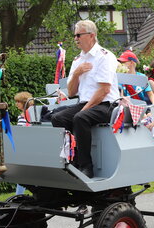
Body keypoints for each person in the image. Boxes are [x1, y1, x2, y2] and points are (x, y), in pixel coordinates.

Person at [51, 20, 119, 178]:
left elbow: (104, 90)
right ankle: (71, 162)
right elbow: (72, 91)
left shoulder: (105, 57)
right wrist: (76, 74)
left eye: (78, 35)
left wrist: (84, 108)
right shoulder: (77, 60)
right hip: (86, 103)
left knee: (80, 117)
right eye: (74, 35)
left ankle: (86, 167)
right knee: (57, 118)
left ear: (91, 35)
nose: (75, 38)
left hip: (107, 105)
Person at [14, 91, 33, 195]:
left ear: (24, 102)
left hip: (27, 147)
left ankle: (18, 195)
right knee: (21, 174)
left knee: (22, 173)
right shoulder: (21, 116)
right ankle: (18, 195)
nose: (16, 104)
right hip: (21, 147)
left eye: (18, 102)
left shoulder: (31, 114)